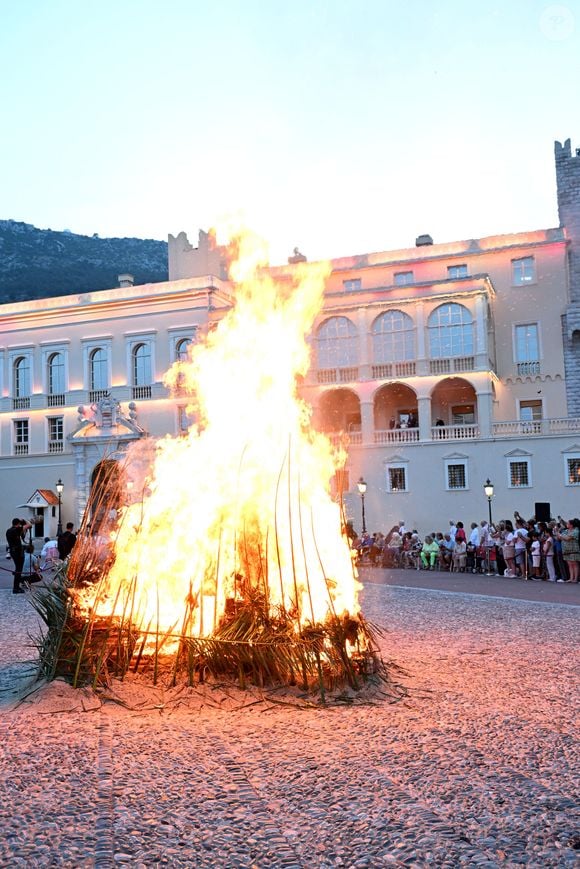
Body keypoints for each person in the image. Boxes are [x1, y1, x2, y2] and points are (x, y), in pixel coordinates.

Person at [6, 517, 32, 594]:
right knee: (18, 570)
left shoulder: (9, 531)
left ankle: (16, 587)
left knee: (18, 570)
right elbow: (29, 525)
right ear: (18, 524)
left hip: (13, 552)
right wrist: (23, 520)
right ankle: (16, 588)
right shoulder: (17, 529)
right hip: (18, 552)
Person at [557, 518, 580, 583]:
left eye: (568, 523)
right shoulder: (566, 531)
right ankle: (571, 578)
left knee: (574, 564)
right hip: (566, 550)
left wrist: (561, 536)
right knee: (569, 564)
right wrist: (561, 535)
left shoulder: (576, 531)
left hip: (573, 549)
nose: (567, 524)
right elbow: (559, 537)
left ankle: (575, 578)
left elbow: (567, 538)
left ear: (571, 525)